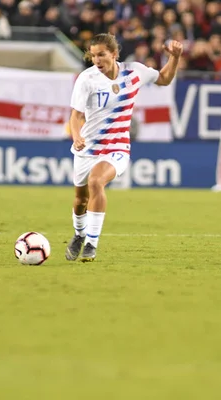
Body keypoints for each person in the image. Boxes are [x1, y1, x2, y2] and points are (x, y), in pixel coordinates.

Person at [65, 33, 183, 262]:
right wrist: (76, 136)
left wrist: (175, 58)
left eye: (102, 55)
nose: (97, 60)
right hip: (87, 147)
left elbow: (164, 79)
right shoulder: (86, 79)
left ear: (114, 54)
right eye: (93, 56)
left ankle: (91, 243)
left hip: (117, 146)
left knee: (96, 181)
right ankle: (79, 235)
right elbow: (76, 115)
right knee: (80, 200)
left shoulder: (134, 71)